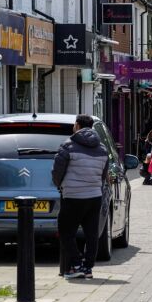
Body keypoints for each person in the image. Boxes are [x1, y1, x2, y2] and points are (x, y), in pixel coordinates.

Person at [52, 114, 109, 279]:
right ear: (91, 126)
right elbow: (103, 175)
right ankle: (88, 268)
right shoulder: (102, 148)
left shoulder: (68, 146)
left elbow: (58, 171)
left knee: (65, 231)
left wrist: (60, 185)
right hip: (95, 196)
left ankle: (76, 264)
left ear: (76, 125)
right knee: (91, 233)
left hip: (73, 196)